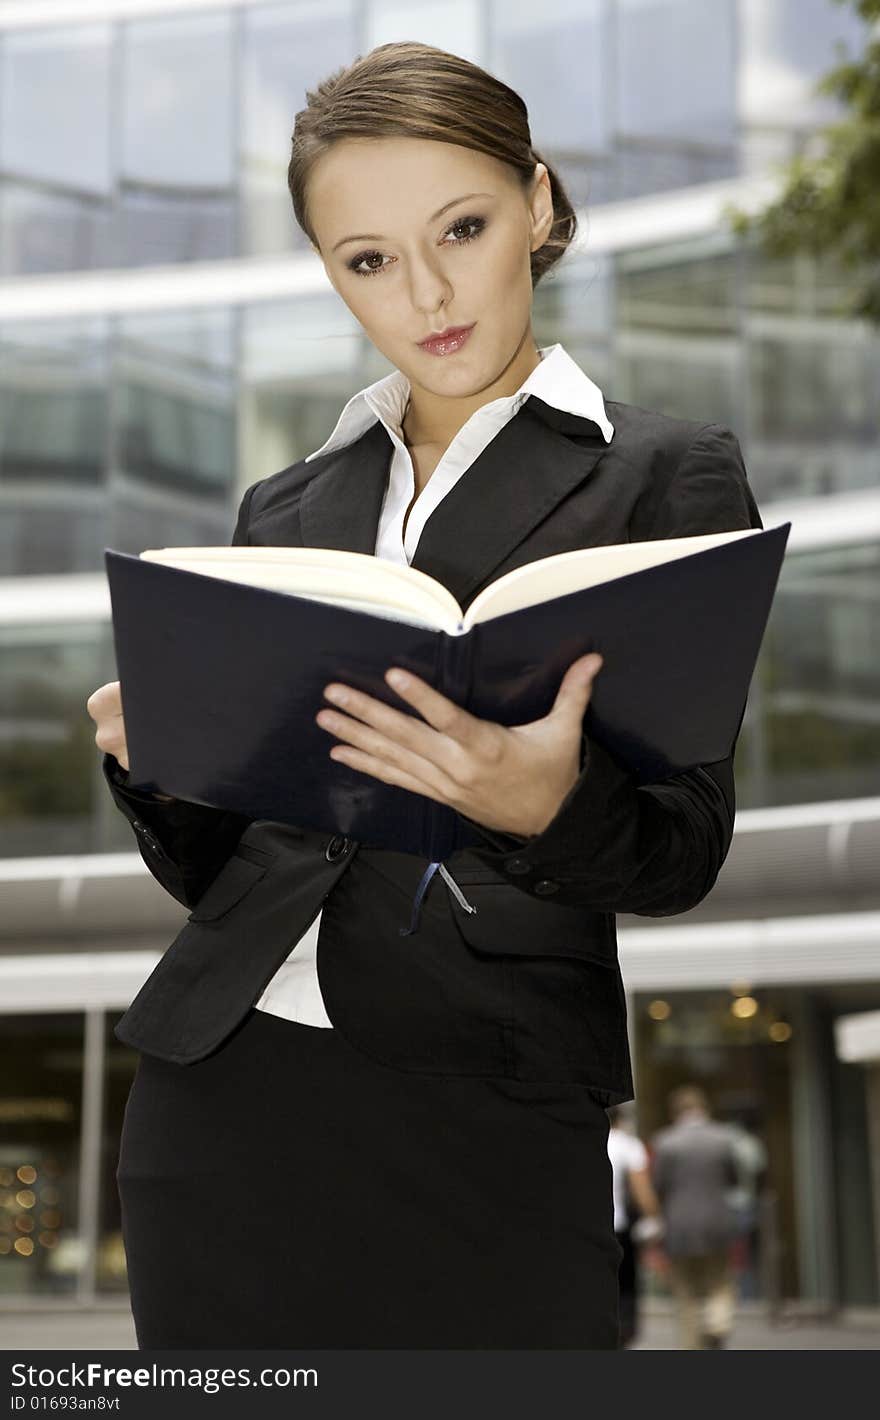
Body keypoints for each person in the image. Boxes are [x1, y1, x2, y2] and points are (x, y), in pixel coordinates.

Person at [86, 41, 763, 1349]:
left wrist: (546, 800)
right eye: (369, 259)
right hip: (219, 1085)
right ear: (334, 274)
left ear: (542, 205)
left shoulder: (666, 475)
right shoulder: (285, 506)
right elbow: (235, 866)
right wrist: (161, 777)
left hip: (489, 1091)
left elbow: (683, 849)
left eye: (462, 226)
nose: (428, 291)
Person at [651, 1085, 741, 1349]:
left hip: (679, 1225)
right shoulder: (723, 1138)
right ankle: (718, 1321)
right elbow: (733, 1178)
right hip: (718, 1221)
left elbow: (659, 1186)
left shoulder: (665, 1142)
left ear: (675, 1111)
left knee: (686, 1291)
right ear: (705, 1107)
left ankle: (691, 1344)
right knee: (719, 1280)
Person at [607, 1105, 662, 1347]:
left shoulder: (581, 1140)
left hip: (590, 1226)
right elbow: (641, 1187)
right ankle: (623, 1334)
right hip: (619, 1227)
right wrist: (654, 1216)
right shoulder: (627, 1145)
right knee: (625, 1284)